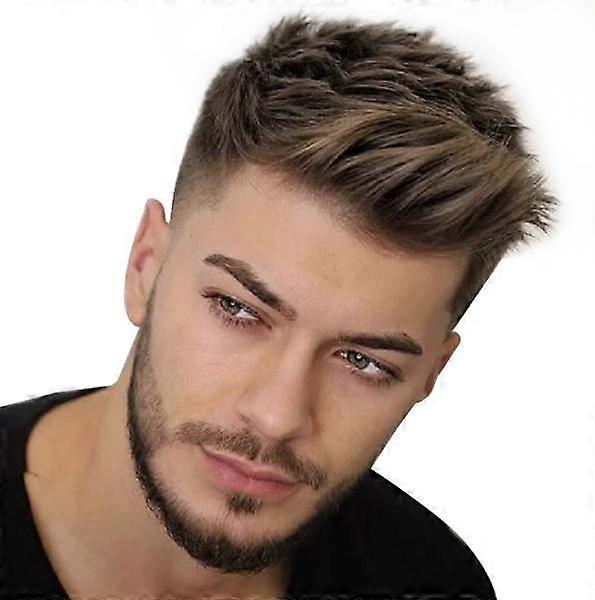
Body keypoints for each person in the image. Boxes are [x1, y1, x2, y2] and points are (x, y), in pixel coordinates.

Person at [0, 12, 558, 600]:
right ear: (146, 266)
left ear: (431, 374)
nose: (277, 417)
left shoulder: (432, 580)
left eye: (364, 361)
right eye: (238, 310)